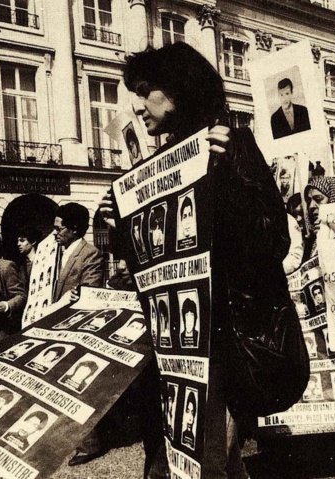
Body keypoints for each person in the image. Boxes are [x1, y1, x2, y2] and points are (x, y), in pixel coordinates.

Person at [98, 41, 292, 479]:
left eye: (145, 90)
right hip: (174, 344)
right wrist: (119, 223)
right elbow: (153, 265)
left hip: (220, 344)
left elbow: (273, 240)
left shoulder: (233, 145)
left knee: (204, 463)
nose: (137, 105)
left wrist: (223, 180)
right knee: (194, 462)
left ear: (178, 89)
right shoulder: (159, 166)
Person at [52, 203, 103, 303]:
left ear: (74, 229)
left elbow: (89, 292)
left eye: (59, 229)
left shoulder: (91, 254)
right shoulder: (55, 253)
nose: (54, 233)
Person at [283, 194, 304, 276]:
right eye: (295, 215)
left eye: (301, 213)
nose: (298, 219)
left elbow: (295, 256)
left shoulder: (289, 221)